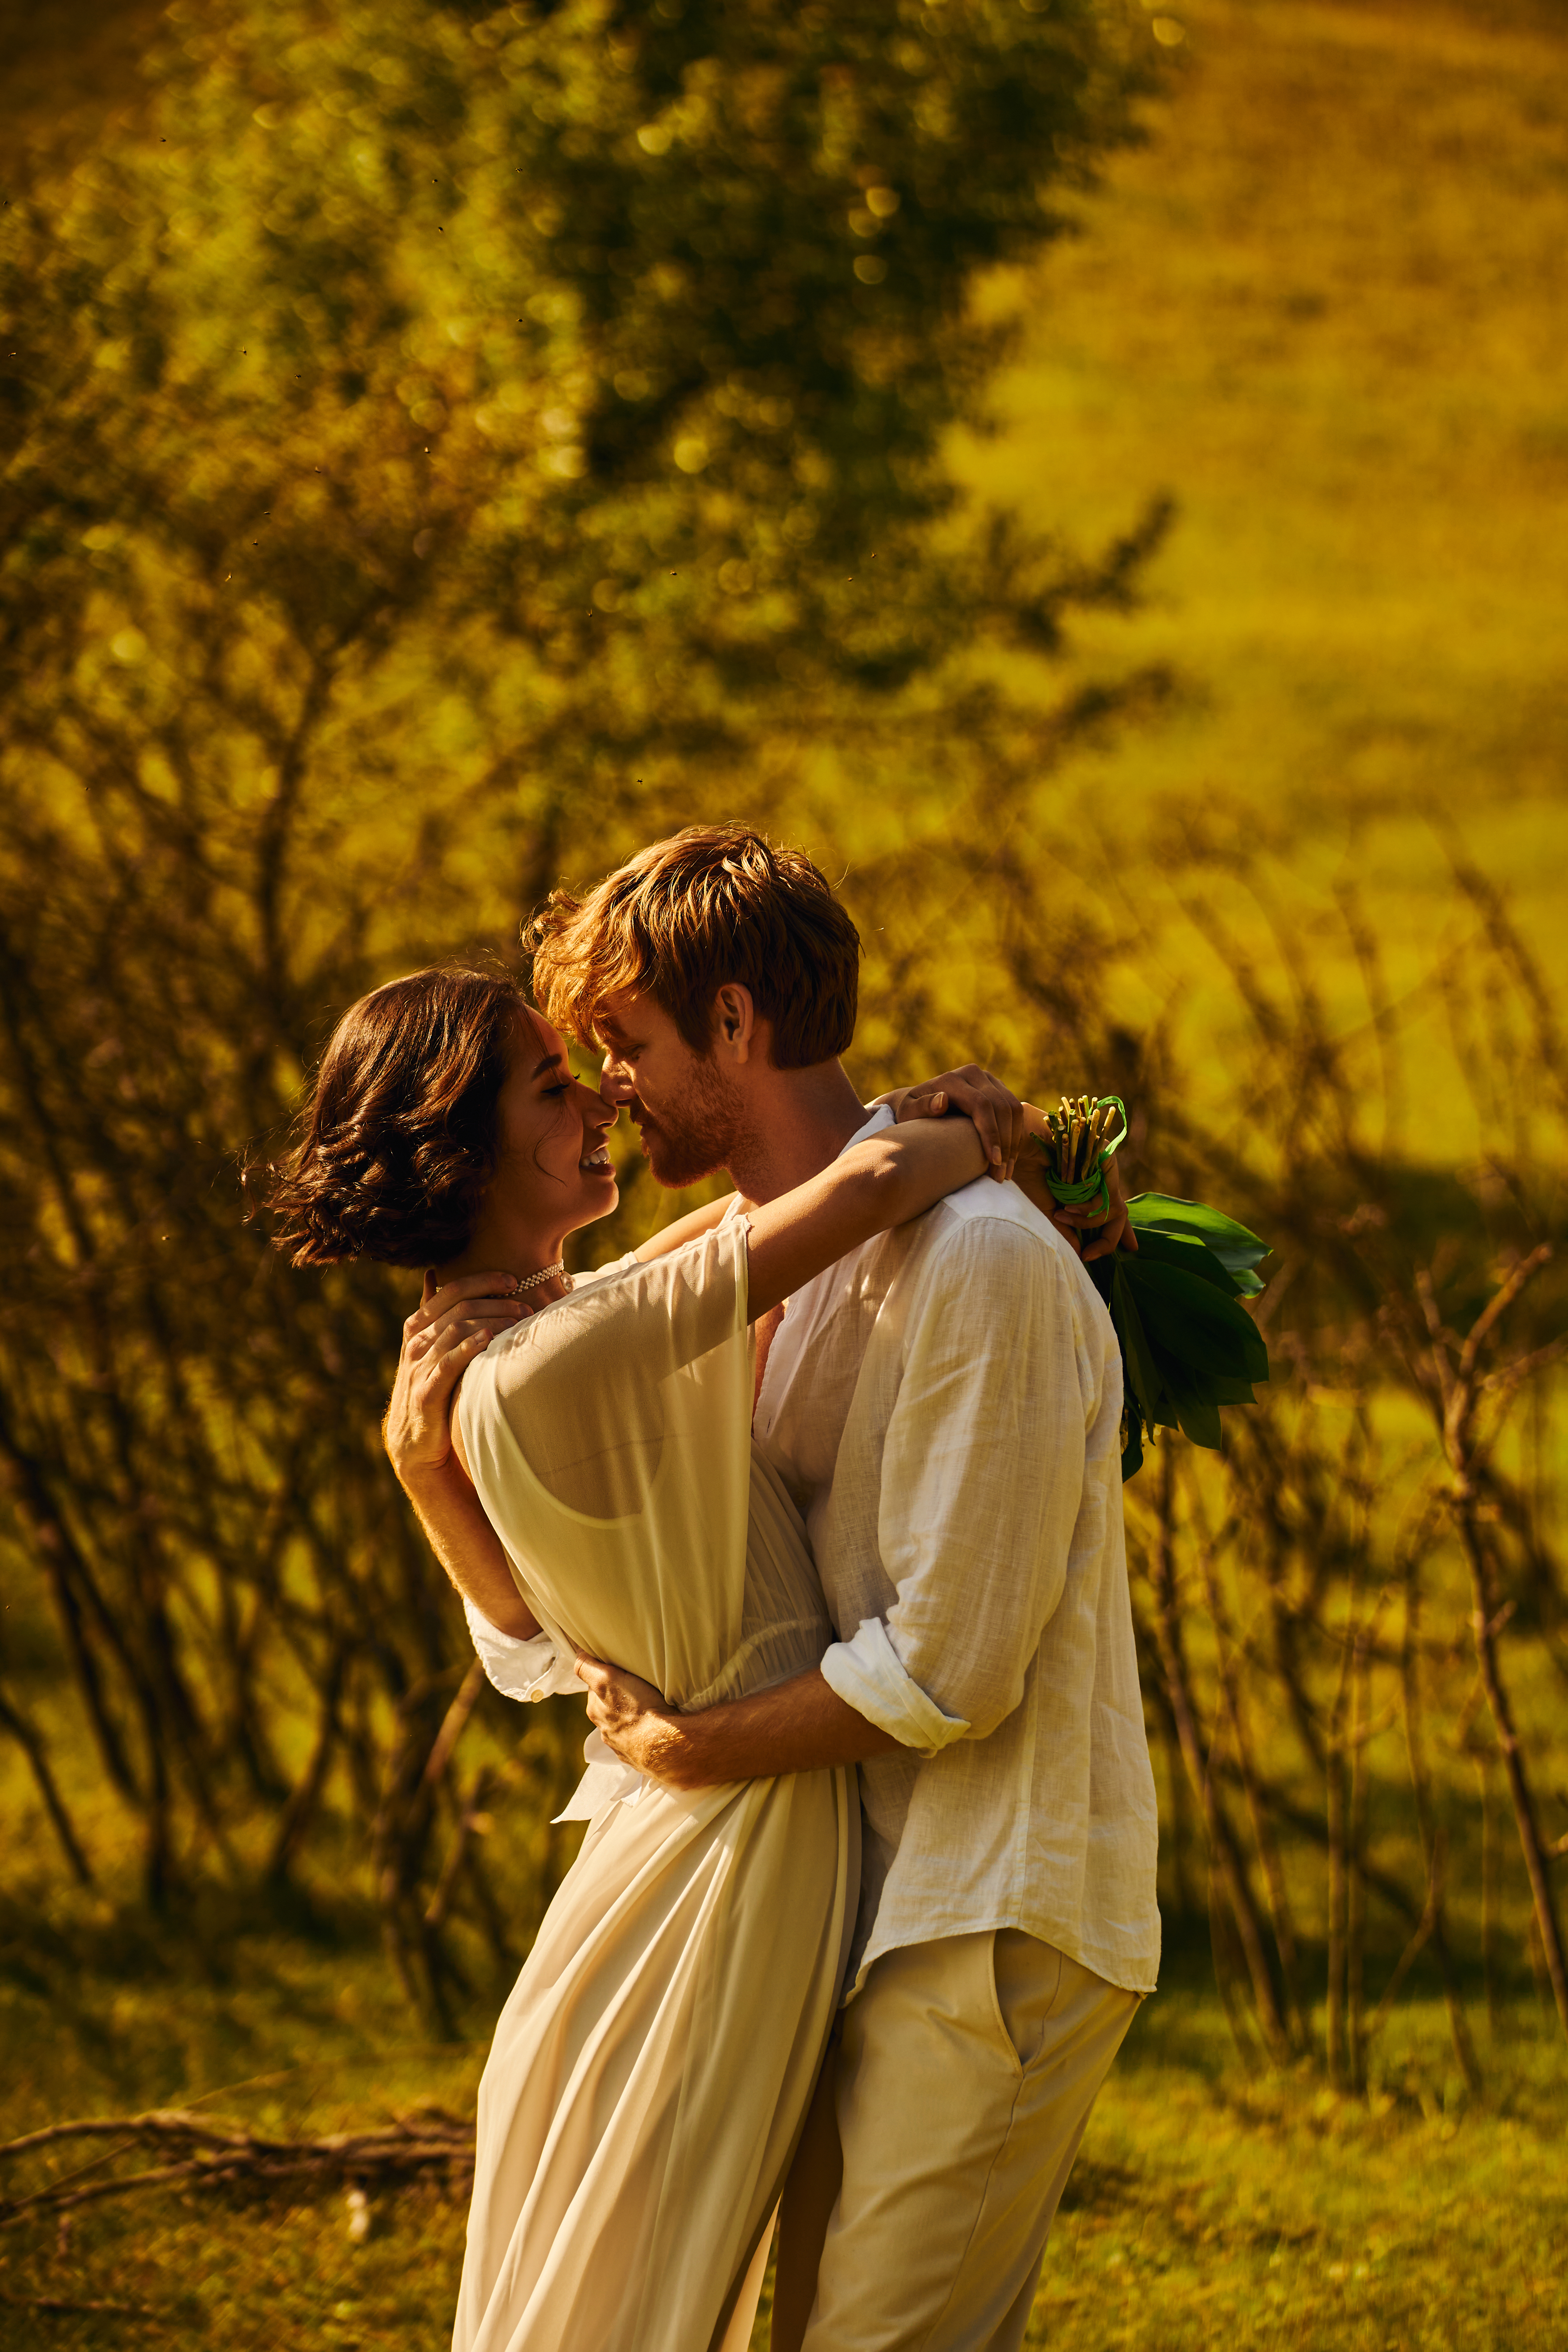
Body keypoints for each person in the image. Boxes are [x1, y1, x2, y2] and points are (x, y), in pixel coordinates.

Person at [452, 826, 1161, 2352]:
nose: (606, 1085)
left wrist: (687, 1749)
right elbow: (630, 1596)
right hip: (837, 1892)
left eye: (626, 1042)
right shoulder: (776, 1263)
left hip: (987, 1904)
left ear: (733, 1024)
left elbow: (950, 1669)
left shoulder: (979, 1261)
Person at [268, 959, 1025, 2352]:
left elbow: (732, 1231)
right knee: (649, 2291)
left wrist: (428, 1477)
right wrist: (991, 1125)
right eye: (555, 1088)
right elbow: (855, 1200)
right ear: (463, 1143)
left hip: (690, 1838)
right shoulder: (573, 1349)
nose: (603, 1099)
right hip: (728, 1856)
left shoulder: (546, 1336)